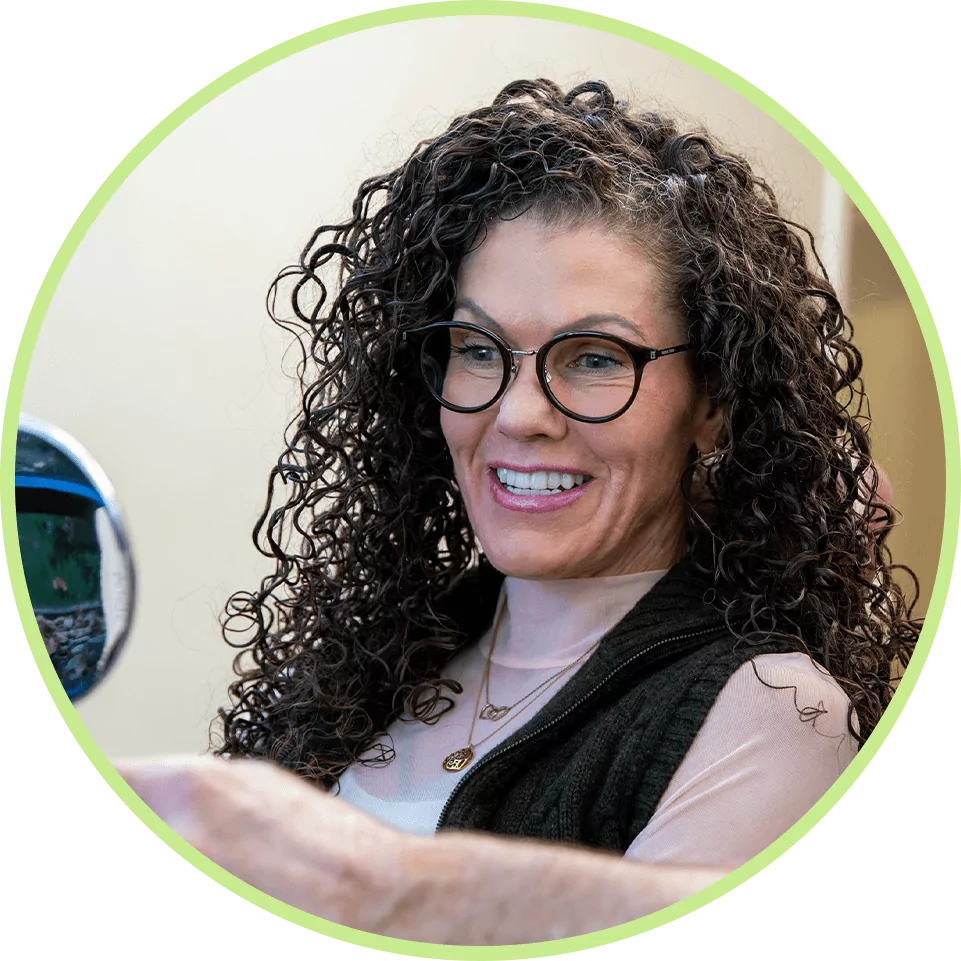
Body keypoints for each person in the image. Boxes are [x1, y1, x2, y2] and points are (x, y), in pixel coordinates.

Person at [118, 79, 919, 944]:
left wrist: (366, 880)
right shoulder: (385, 658)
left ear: (713, 399)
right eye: (477, 350)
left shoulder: (773, 711)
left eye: (592, 357)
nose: (517, 413)